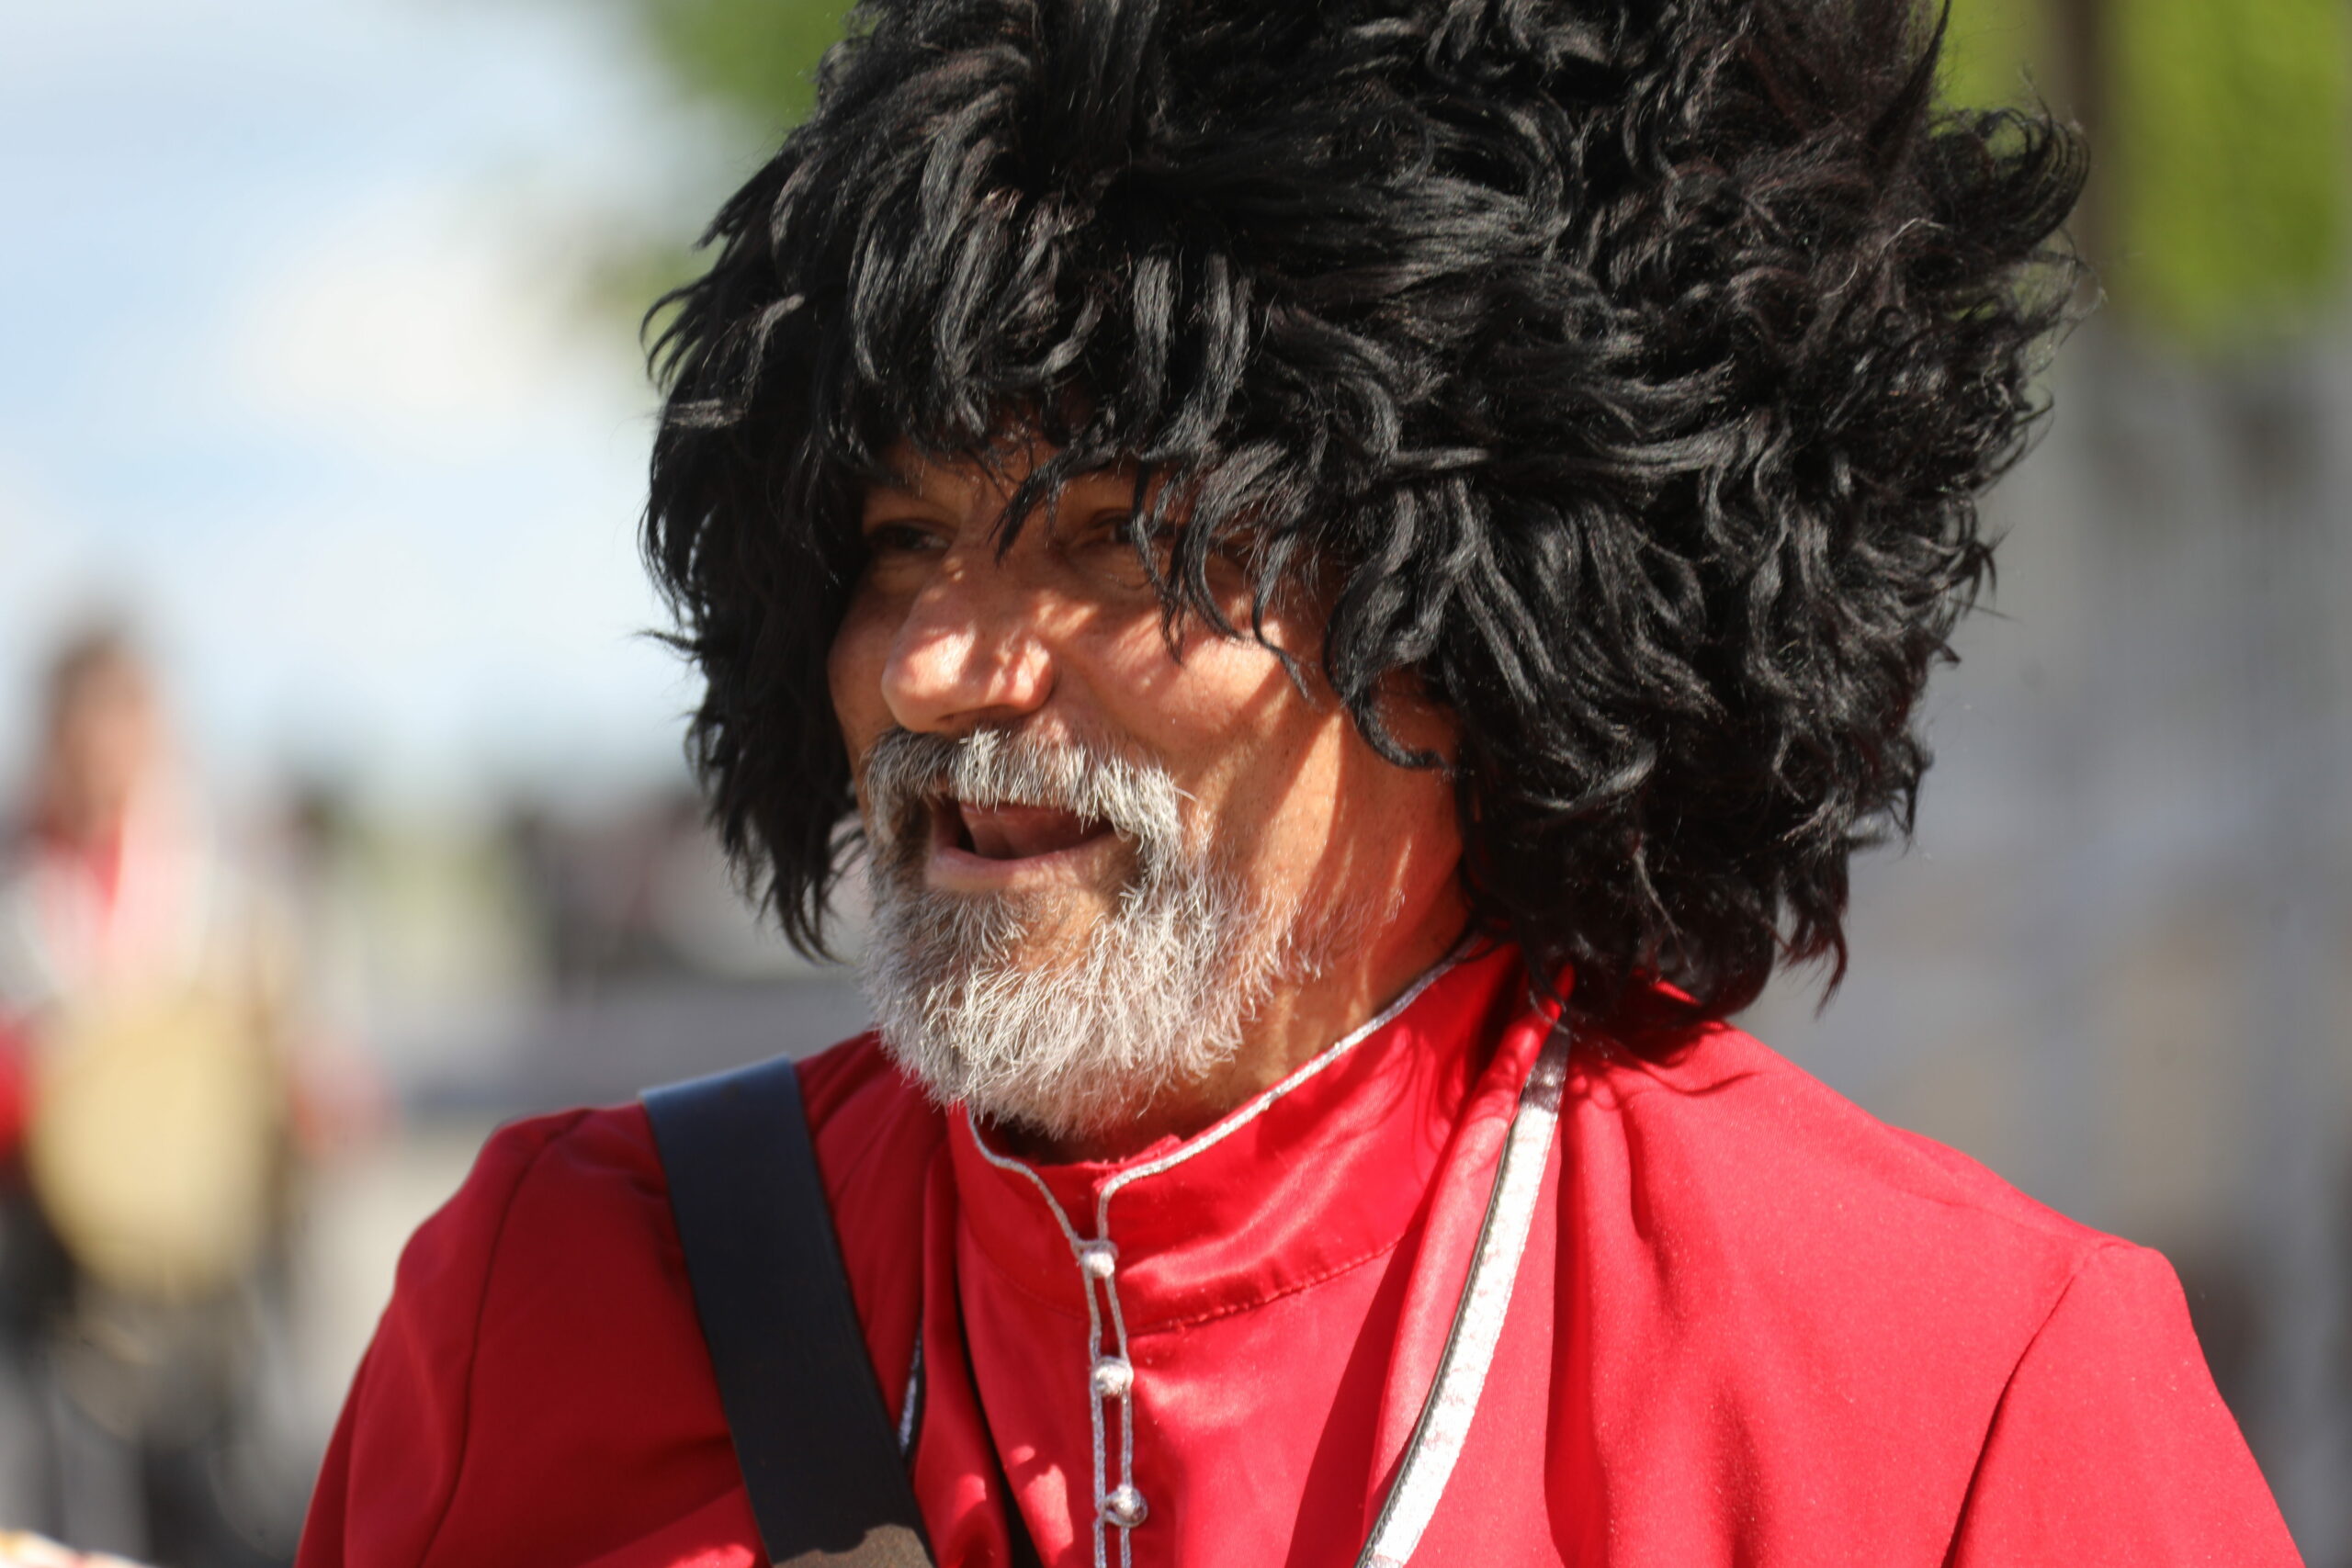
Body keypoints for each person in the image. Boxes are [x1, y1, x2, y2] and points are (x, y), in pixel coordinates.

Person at [300, 0, 2299, 1563]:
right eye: (901, 543)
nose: (935, 665)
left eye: (1116, 541)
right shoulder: (557, 1303)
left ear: (1485, 615)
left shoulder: (1954, 1391)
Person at [0, 627, 311, 1567]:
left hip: (213, 1290)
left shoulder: (223, 892)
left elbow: (293, 1073)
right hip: (54, 1282)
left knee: (230, 1503)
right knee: (72, 1512)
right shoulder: (24, 895)